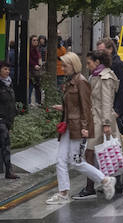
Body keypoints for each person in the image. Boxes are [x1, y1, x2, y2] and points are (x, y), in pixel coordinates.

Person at [46, 51, 114, 204]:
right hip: (69, 126)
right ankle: (63, 193)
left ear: (73, 65)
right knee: (61, 160)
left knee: (75, 161)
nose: (62, 68)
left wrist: (84, 128)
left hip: (77, 127)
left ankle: (105, 180)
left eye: (65, 65)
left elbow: (86, 107)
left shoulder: (81, 82)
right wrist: (63, 108)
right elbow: (75, 106)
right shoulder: (71, 81)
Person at [76, 50, 120, 199]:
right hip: (95, 119)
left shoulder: (105, 77)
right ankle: (103, 182)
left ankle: (91, 187)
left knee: (91, 152)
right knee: (100, 153)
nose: (87, 66)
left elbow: (107, 101)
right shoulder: (95, 76)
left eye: (89, 63)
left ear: (97, 62)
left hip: (101, 120)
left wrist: (106, 123)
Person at [97, 36, 123, 193]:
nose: (99, 54)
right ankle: (120, 176)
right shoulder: (106, 65)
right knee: (111, 145)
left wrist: (118, 111)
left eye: (102, 51)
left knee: (114, 144)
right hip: (108, 110)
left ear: (110, 49)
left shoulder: (118, 65)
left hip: (115, 112)